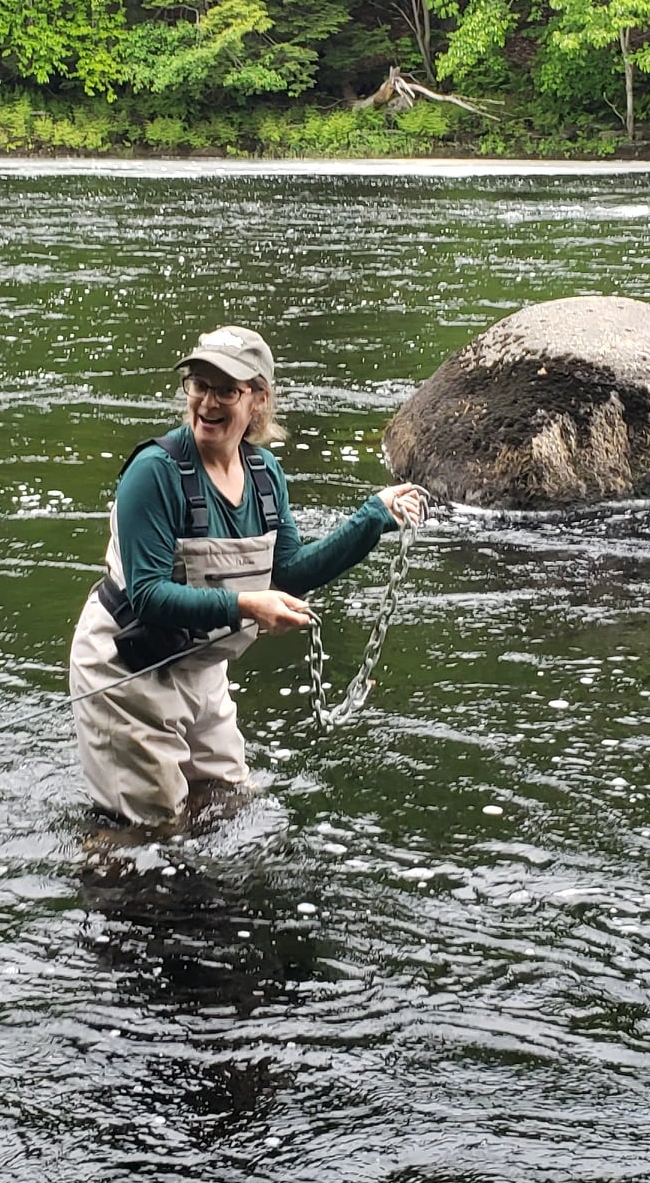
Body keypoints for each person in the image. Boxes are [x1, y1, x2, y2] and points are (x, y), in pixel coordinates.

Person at [69, 325, 424, 825]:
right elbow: (147, 595)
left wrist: (372, 519)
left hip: (199, 664)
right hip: (126, 669)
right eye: (199, 385)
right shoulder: (153, 473)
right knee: (149, 832)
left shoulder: (264, 475)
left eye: (226, 390)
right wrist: (246, 606)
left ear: (258, 399)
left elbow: (290, 573)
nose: (207, 403)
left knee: (227, 805)